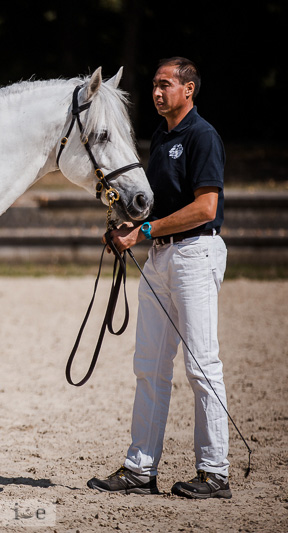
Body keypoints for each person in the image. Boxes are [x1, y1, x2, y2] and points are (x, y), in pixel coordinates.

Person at [87, 57, 231, 499]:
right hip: (161, 257)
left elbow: (206, 207)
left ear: (189, 89)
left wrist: (144, 231)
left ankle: (214, 471)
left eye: (166, 84)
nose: (156, 92)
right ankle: (140, 468)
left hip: (195, 254)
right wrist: (126, 226)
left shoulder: (202, 136)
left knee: (201, 364)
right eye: (154, 84)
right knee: (149, 365)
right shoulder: (162, 137)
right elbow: (155, 205)